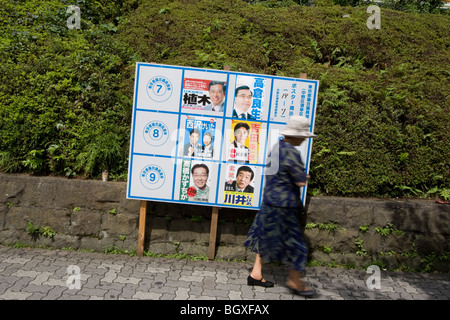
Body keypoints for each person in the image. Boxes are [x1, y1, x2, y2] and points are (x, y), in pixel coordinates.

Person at [244, 116, 317, 297]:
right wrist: (305, 177)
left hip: (269, 202)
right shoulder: (291, 152)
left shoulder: (276, 148)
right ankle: (295, 282)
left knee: (265, 238)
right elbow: (300, 181)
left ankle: (255, 274)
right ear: (296, 136)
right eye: (303, 136)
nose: (304, 139)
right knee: (298, 245)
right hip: (283, 207)